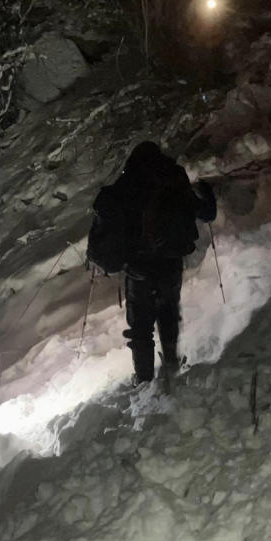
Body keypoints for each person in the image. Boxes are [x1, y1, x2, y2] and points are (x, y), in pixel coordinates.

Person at [87, 141, 216, 387]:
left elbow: (112, 222)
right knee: (168, 312)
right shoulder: (174, 179)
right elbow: (205, 213)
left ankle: (144, 380)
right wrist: (206, 192)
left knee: (141, 325)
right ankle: (170, 365)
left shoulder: (127, 184)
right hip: (170, 261)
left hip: (139, 266)